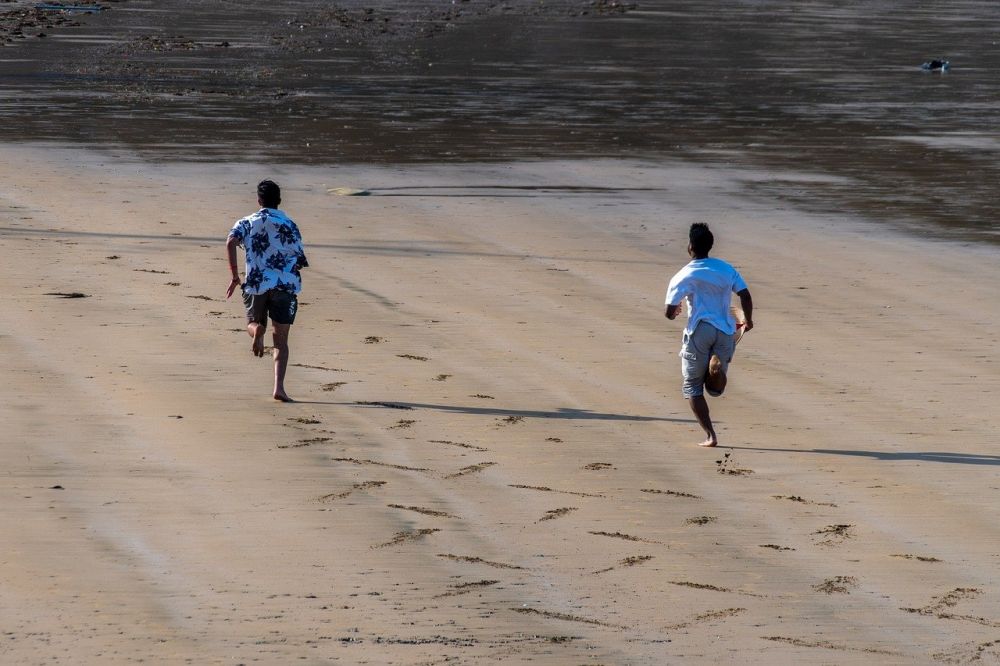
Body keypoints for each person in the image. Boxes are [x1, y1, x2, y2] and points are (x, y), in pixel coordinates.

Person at [664, 223, 753, 447]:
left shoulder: (684, 274)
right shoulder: (726, 269)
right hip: (725, 331)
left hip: (699, 330)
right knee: (715, 390)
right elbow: (745, 295)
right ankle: (715, 367)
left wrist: (675, 311)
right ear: (710, 245)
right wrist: (749, 320)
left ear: (690, 246)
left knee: (692, 387)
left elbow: (669, 312)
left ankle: (710, 435)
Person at [226, 180, 308, 402]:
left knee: (252, 323)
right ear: (279, 200)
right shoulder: (289, 224)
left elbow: (231, 242)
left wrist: (234, 276)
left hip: (256, 283)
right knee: (281, 341)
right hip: (284, 285)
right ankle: (279, 388)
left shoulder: (247, 222)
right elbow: (300, 260)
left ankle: (257, 331)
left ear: (258, 200)